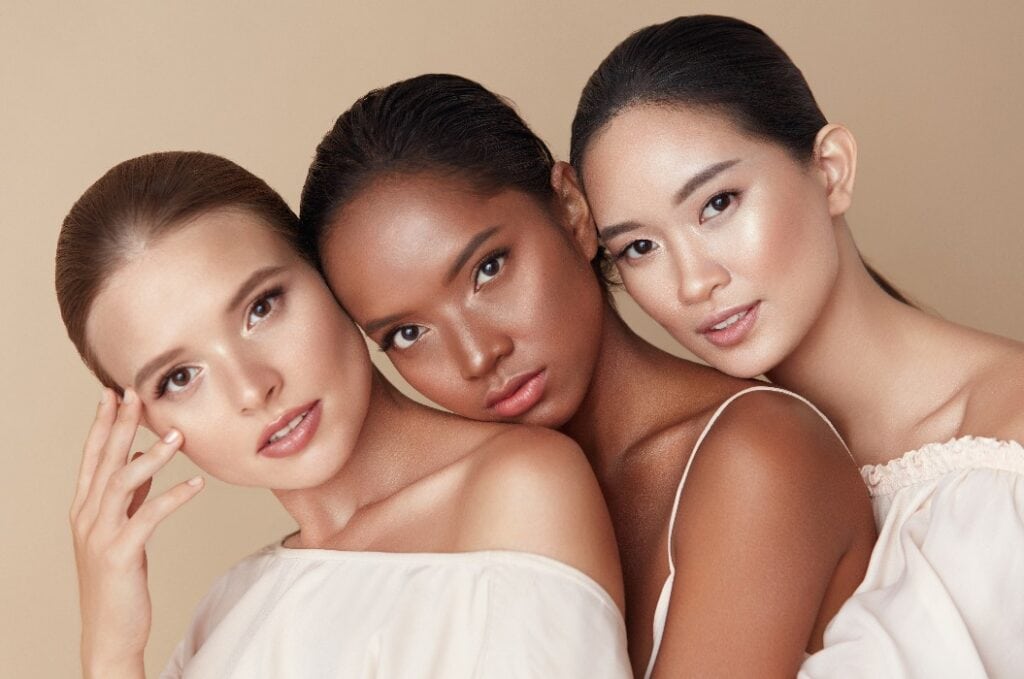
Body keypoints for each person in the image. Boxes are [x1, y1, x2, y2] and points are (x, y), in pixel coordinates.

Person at [298, 73, 877, 678]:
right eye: (407, 335)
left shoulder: (760, 452)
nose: (476, 356)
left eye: (487, 269)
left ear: (572, 210)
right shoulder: (466, 522)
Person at [56, 151, 630, 679]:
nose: (254, 389)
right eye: (179, 378)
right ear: (146, 420)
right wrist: (110, 647)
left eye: (261, 307)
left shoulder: (517, 488)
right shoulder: (231, 608)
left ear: (328, 279)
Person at [569, 14, 1024, 679]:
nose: (694, 281)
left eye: (718, 202)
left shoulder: (1005, 459)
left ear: (832, 170)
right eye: (639, 247)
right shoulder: (705, 483)